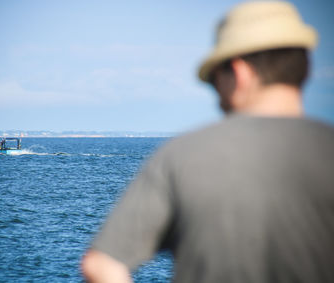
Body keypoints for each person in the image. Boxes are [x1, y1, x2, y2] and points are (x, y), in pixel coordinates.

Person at [82, 1, 334, 282]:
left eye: (214, 80)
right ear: (306, 69)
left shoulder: (183, 156)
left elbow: (102, 264)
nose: (217, 96)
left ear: (239, 73)